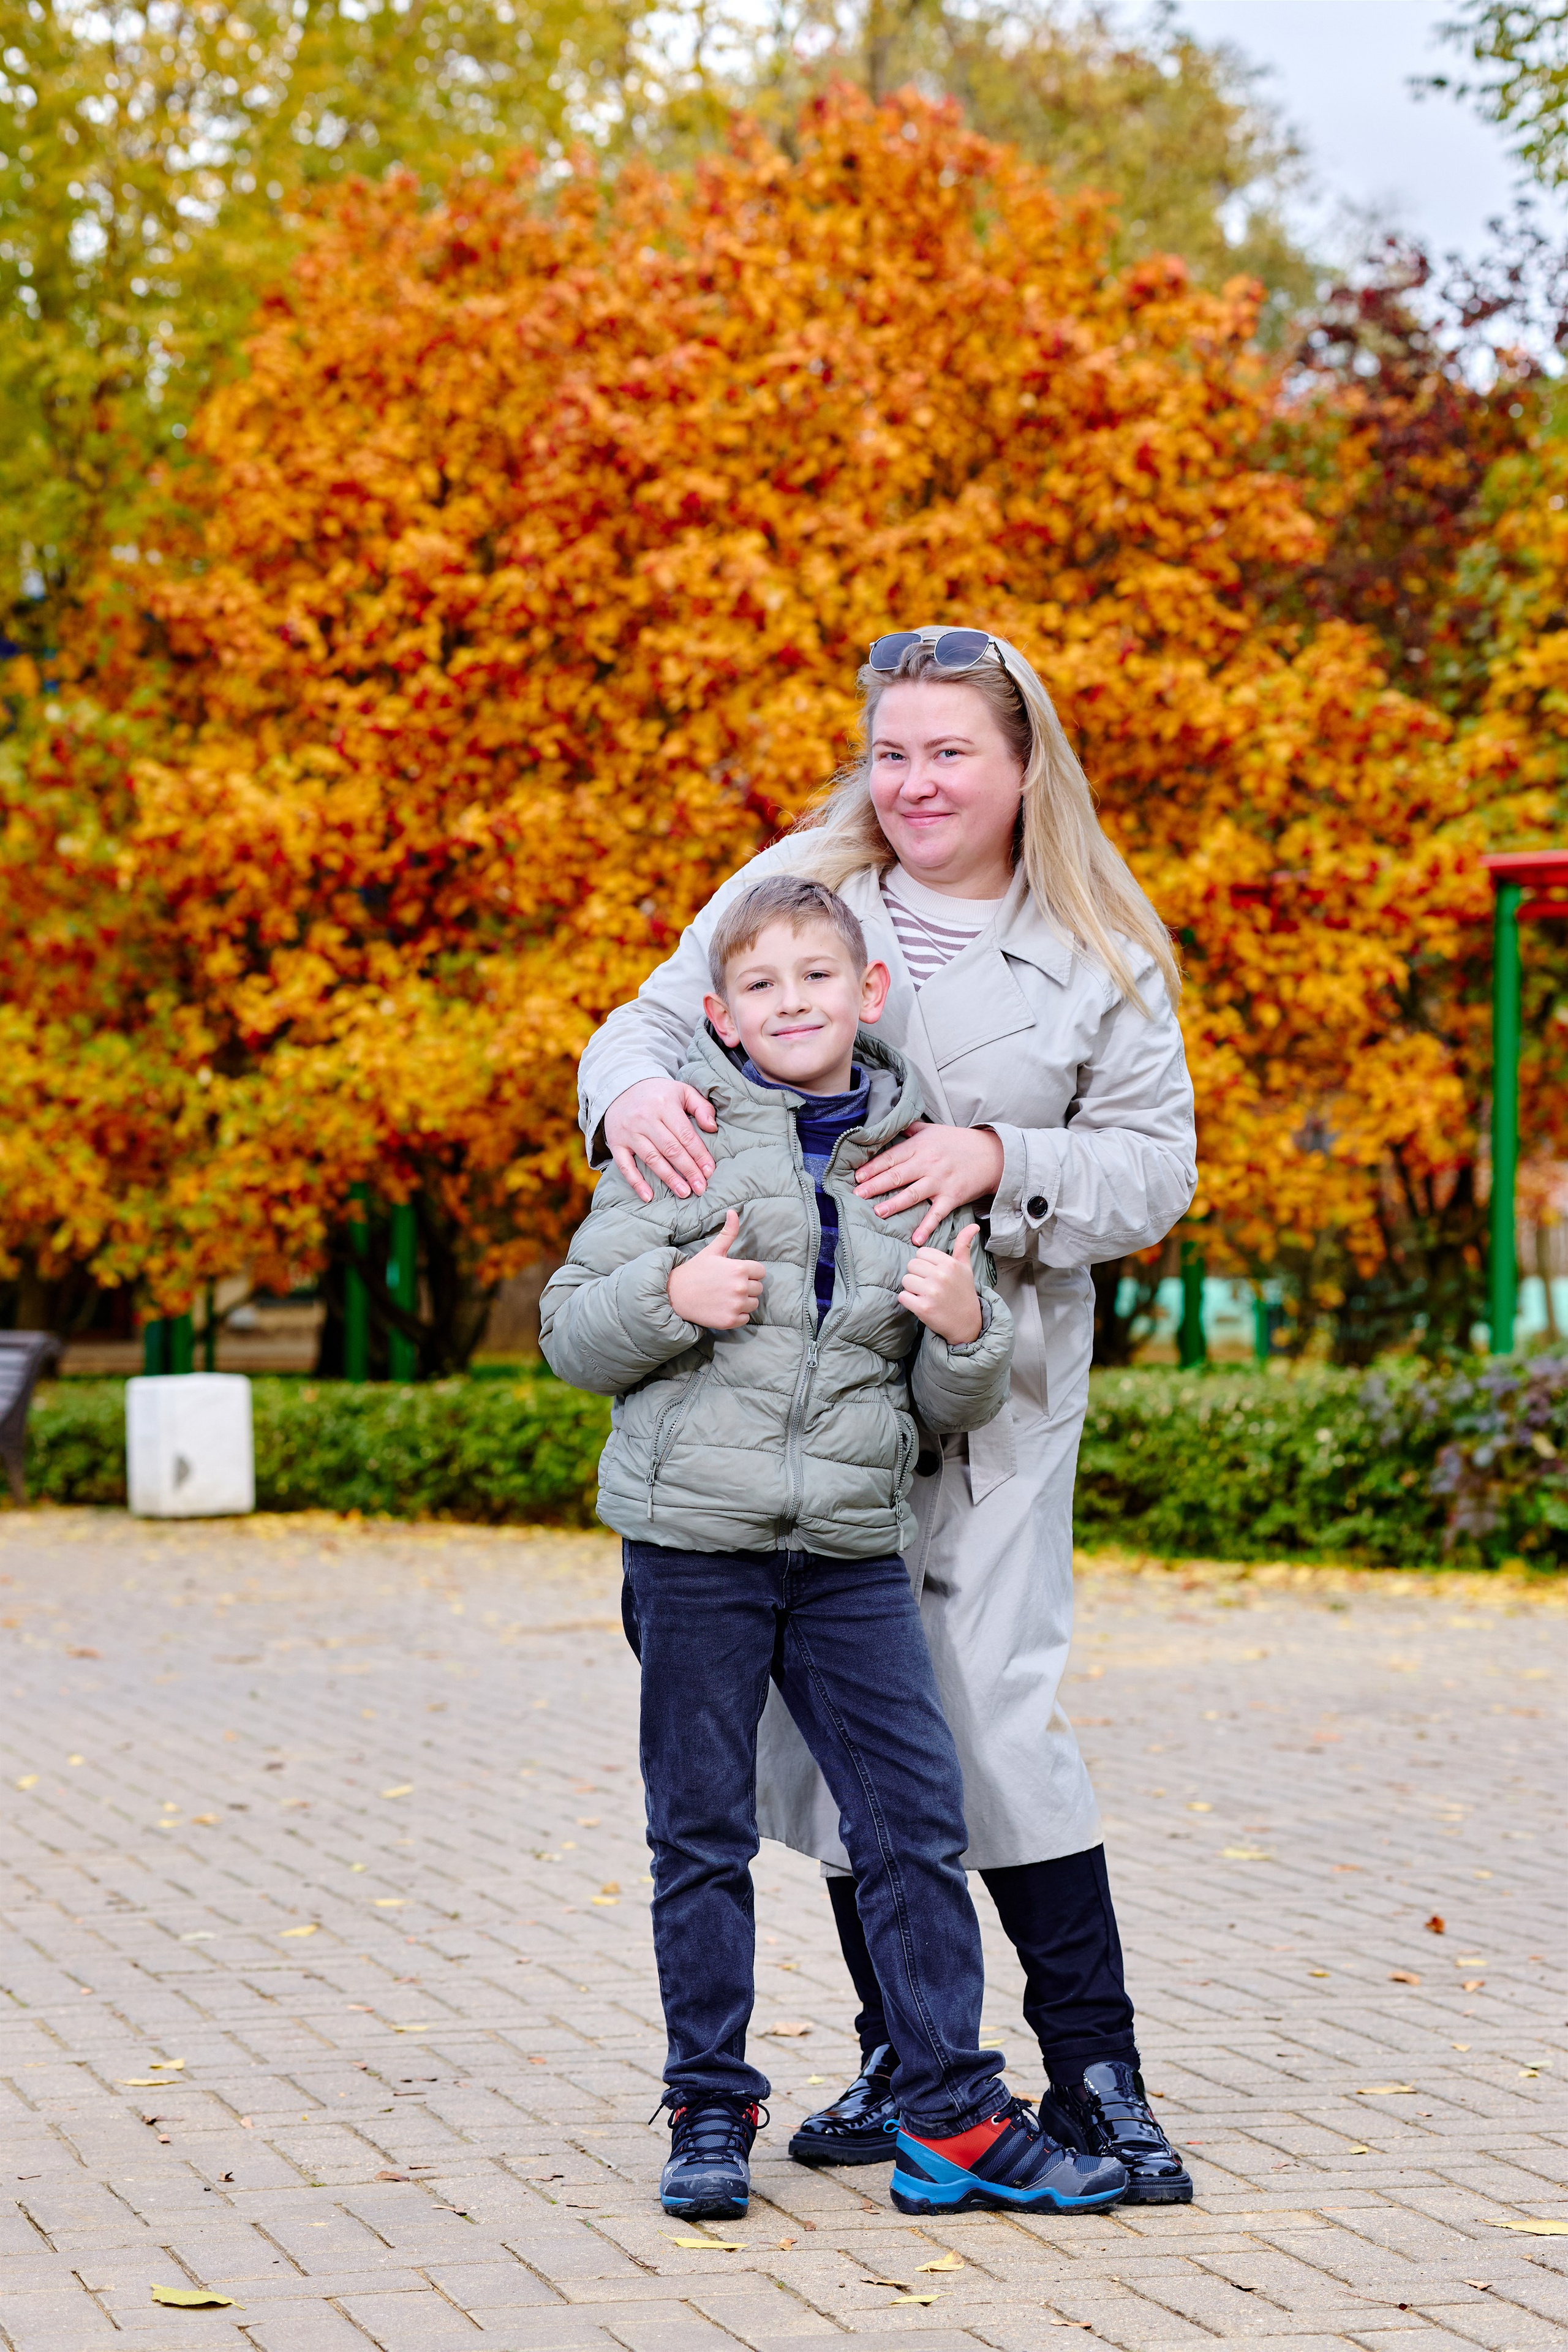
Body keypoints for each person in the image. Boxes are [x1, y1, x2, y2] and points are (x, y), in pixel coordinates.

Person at [577, 626, 1199, 2204]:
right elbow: (654, 1020)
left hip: (977, 1377)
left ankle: (1099, 2066)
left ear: (1022, 763)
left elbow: (1155, 1169)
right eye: (891, 751)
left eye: (950, 752)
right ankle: (907, 2057)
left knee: (987, 1715)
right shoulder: (808, 881)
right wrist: (626, 1092)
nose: (913, 783)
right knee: (850, 1737)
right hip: (783, 1388)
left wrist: (1001, 1159)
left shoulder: (1100, 946)